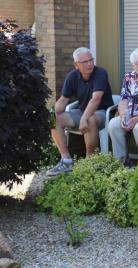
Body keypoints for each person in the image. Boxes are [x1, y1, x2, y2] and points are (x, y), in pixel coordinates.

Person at [47, 47, 113, 176]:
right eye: (85, 62)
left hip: (103, 113)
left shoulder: (100, 73)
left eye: (91, 60)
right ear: (76, 65)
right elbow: (63, 100)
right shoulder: (73, 76)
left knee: (89, 120)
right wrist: (51, 113)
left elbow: (96, 99)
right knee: (53, 120)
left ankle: (89, 162)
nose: (89, 64)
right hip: (81, 111)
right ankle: (66, 161)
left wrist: (83, 118)